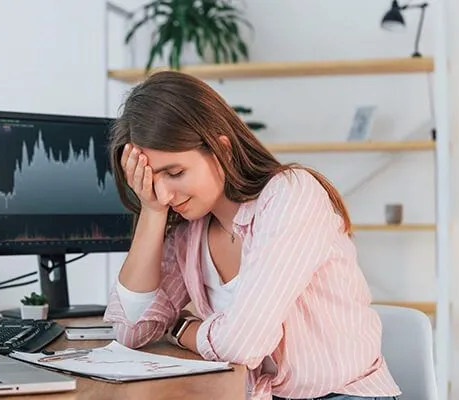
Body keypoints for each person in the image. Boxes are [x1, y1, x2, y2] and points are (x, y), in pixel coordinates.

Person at [102, 71, 401, 400]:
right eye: (150, 180)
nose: (165, 193)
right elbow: (132, 330)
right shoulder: (191, 232)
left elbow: (244, 343)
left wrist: (180, 328)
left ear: (222, 149)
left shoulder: (291, 195)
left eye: (175, 173)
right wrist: (152, 211)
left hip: (343, 395)